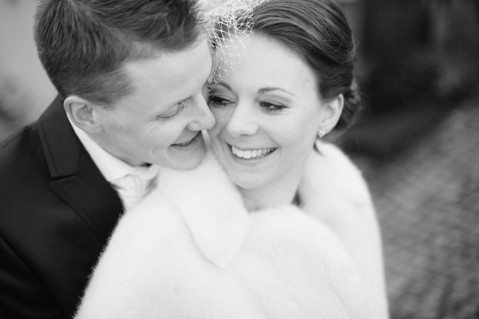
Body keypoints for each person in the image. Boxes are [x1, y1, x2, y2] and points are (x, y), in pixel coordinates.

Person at [74, 0, 389, 318]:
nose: (237, 126)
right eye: (221, 99)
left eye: (271, 104)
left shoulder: (343, 190)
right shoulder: (156, 250)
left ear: (329, 113)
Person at [0, 0, 214, 318]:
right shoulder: (8, 226)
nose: (209, 120)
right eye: (172, 109)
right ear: (87, 115)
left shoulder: (240, 124)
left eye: (210, 86)